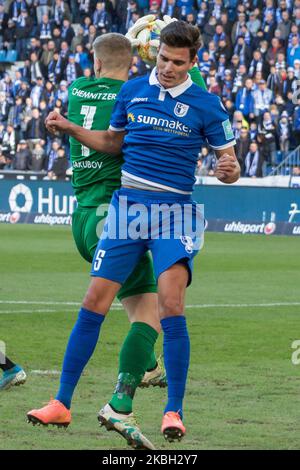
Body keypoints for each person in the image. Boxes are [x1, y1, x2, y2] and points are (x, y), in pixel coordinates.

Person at [29, 22, 239, 448]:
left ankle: (173, 410)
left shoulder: (208, 105)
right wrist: (70, 129)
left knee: (171, 304)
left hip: (175, 212)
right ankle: (61, 402)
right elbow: (112, 141)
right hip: (127, 208)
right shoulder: (132, 91)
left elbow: (229, 162)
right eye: (162, 58)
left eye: (177, 63)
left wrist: (229, 170)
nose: (167, 68)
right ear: (154, 53)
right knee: (93, 301)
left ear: (192, 63)